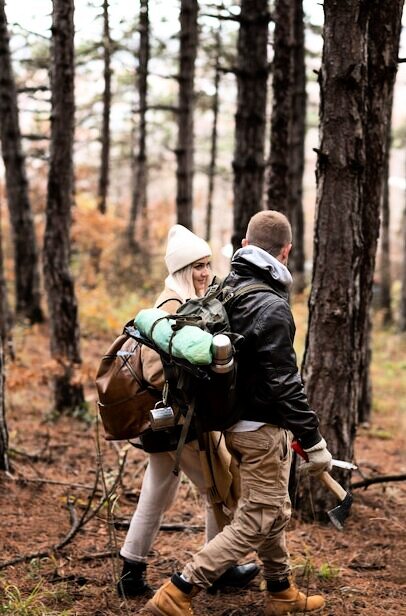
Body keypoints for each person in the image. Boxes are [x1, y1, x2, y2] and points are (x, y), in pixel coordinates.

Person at [144, 211, 333, 616]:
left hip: (232, 424)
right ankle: (180, 589)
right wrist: (313, 438)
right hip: (263, 429)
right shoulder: (273, 306)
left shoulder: (226, 287)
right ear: (287, 252)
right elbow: (285, 383)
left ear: (245, 246)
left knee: (270, 509)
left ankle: (281, 590)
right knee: (258, 516)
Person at [117, 224, 259, 598]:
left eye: (207, 264)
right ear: (181, 270)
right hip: (178, 424)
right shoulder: (170, 305)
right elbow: (152, 368)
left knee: (157, 492)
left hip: (173, 424)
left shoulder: (184, 301)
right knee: (219, 486)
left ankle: (131, 571)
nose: (204, 273)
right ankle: (218, 568)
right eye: (196, 266)